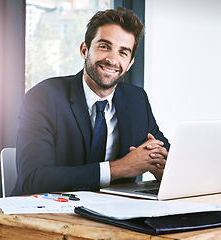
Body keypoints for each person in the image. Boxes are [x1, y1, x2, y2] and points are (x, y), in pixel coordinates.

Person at [12, 7, 170, 196]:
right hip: (45, 214)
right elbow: (33, 179)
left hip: (113, 216)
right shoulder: (43, 97)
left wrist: (163, 168)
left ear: (130, 63)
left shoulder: (137, 100)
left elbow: (165, 156)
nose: (112, 59)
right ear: (84, 50)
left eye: (123, 52)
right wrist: (119, 168)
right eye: (104, 46)